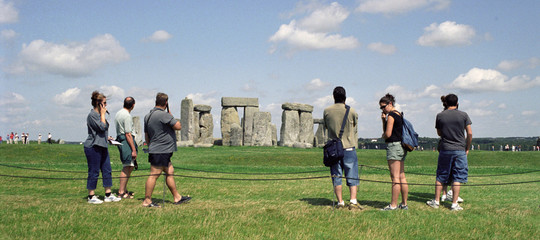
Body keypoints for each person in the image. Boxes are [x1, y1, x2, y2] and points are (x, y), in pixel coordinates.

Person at [142, 92, 191, 208]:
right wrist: (170, 115)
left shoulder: (148, 116)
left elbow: (146, 135)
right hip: (161, 150)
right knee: (154, 174)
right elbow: (178, 126)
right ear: (166, 103)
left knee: (170, 171)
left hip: (156, 149)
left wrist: (151, 146)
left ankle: (177, 197)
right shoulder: (164, 115)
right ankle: (147, 200)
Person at [426, 94, 472, 211]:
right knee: (458, 176)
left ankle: (436, 201)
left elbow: (439, 133)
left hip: (445, 148)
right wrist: (467, 147)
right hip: (460, 149)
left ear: (446, 103)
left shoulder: (440, 115)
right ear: (457, 102)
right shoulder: (464, 115)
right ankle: (454, 203)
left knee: (441, 175)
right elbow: (470, 133)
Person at [323, 86, 362, 210]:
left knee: (336, 175)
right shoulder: (351, 111)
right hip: (349, 146)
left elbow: (327, 127)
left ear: (333, 97)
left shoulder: (327, 111)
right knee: (352, 174)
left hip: (334, 148)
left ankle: (340, 202)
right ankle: (353, 201)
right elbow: (354, 125)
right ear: (345, 97)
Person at [83, 90, 121, 204]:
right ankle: (91, 196)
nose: (106, 105)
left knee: (107, 170)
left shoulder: (99, 115)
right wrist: (103, 114)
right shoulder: (92, 115)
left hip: (103, 145)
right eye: (104, 103)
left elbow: (102, 130)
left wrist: (107, 138)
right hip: (93, 146)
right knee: (94, 171)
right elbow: (102, 126)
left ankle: (108, 194)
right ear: (99, 103)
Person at [379, 93, 408, 210]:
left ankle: (393, 205)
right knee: (402, 176)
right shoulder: (398, 114)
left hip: (394, 146)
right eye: (381, 108)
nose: (382, 109)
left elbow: (388, 133)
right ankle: (404, 204)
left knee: (394, 177)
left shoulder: (391, 115)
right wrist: (383, 120)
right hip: (401, 146)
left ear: (390, 104)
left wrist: (383, 135)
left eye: (383, 106)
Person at [115, 96, 138, 199]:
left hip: (121, 139)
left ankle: (124, 189)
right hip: (126, 140)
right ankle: (121, 192)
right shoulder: (127, 116)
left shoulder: (118, 113)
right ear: (133, 105)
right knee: (127, 165)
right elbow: (128, 133)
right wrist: (133, 149)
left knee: (130, 165)